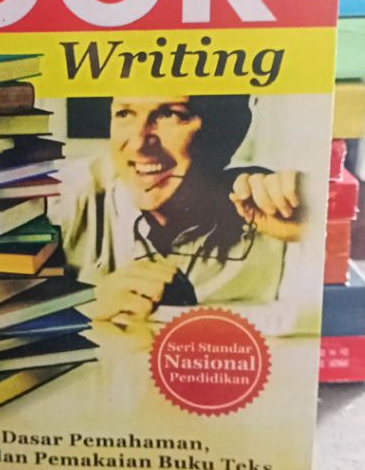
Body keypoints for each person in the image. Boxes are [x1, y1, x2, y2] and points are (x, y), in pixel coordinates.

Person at [48, 95, 304, 324]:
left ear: (227, 131)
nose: (138, 143)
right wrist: (81, 305)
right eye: (124, 113)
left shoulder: (274, 212)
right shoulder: (62, 199)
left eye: (171, 114)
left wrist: (308, 235)